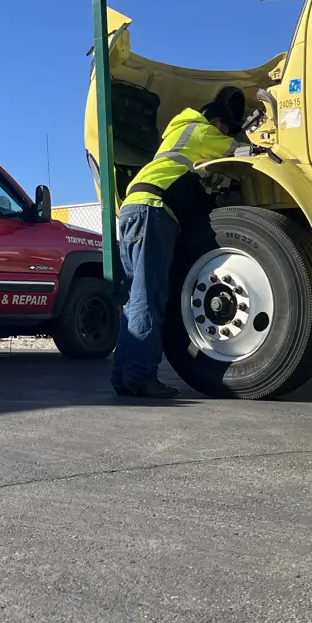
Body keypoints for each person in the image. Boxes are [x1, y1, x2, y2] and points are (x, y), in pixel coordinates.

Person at [110, 90, 243, 397]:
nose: (225, 133)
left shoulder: (176, 134)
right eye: (226, 127)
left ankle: (123, 377)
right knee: (150, 296)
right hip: (153, 211)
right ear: (218, 121)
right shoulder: (202, 130)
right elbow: (240, 151)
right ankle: (141, 376)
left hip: (133, 209)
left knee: (135, 300)